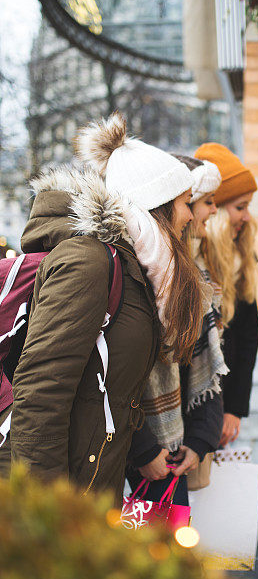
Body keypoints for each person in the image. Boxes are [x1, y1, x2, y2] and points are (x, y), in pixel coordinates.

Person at [0, 113, 203, 506]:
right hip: (54, 491)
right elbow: (42, 391)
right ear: (158, 205)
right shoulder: (91, 263)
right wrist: (47, 512)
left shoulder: (140, 273)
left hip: (91, 480)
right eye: (185, 204)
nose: (191, 216)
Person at [126, 156, 226, 500]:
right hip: (138, 447)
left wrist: (200, 438)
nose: (213, 211)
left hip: (171, 443)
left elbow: (199, 360)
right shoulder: (135, 273)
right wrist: (142, 449)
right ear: (164, 206)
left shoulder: (186, 273)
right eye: (200, 202)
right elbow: (114, 377)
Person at [194, 143, 258, 447]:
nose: (246, 217)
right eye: (240, 207)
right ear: (216, 210)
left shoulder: (243, 257)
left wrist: (234, 409)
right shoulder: (193, 261)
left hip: (224, 403)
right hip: (194, 403)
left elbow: (248, 336)